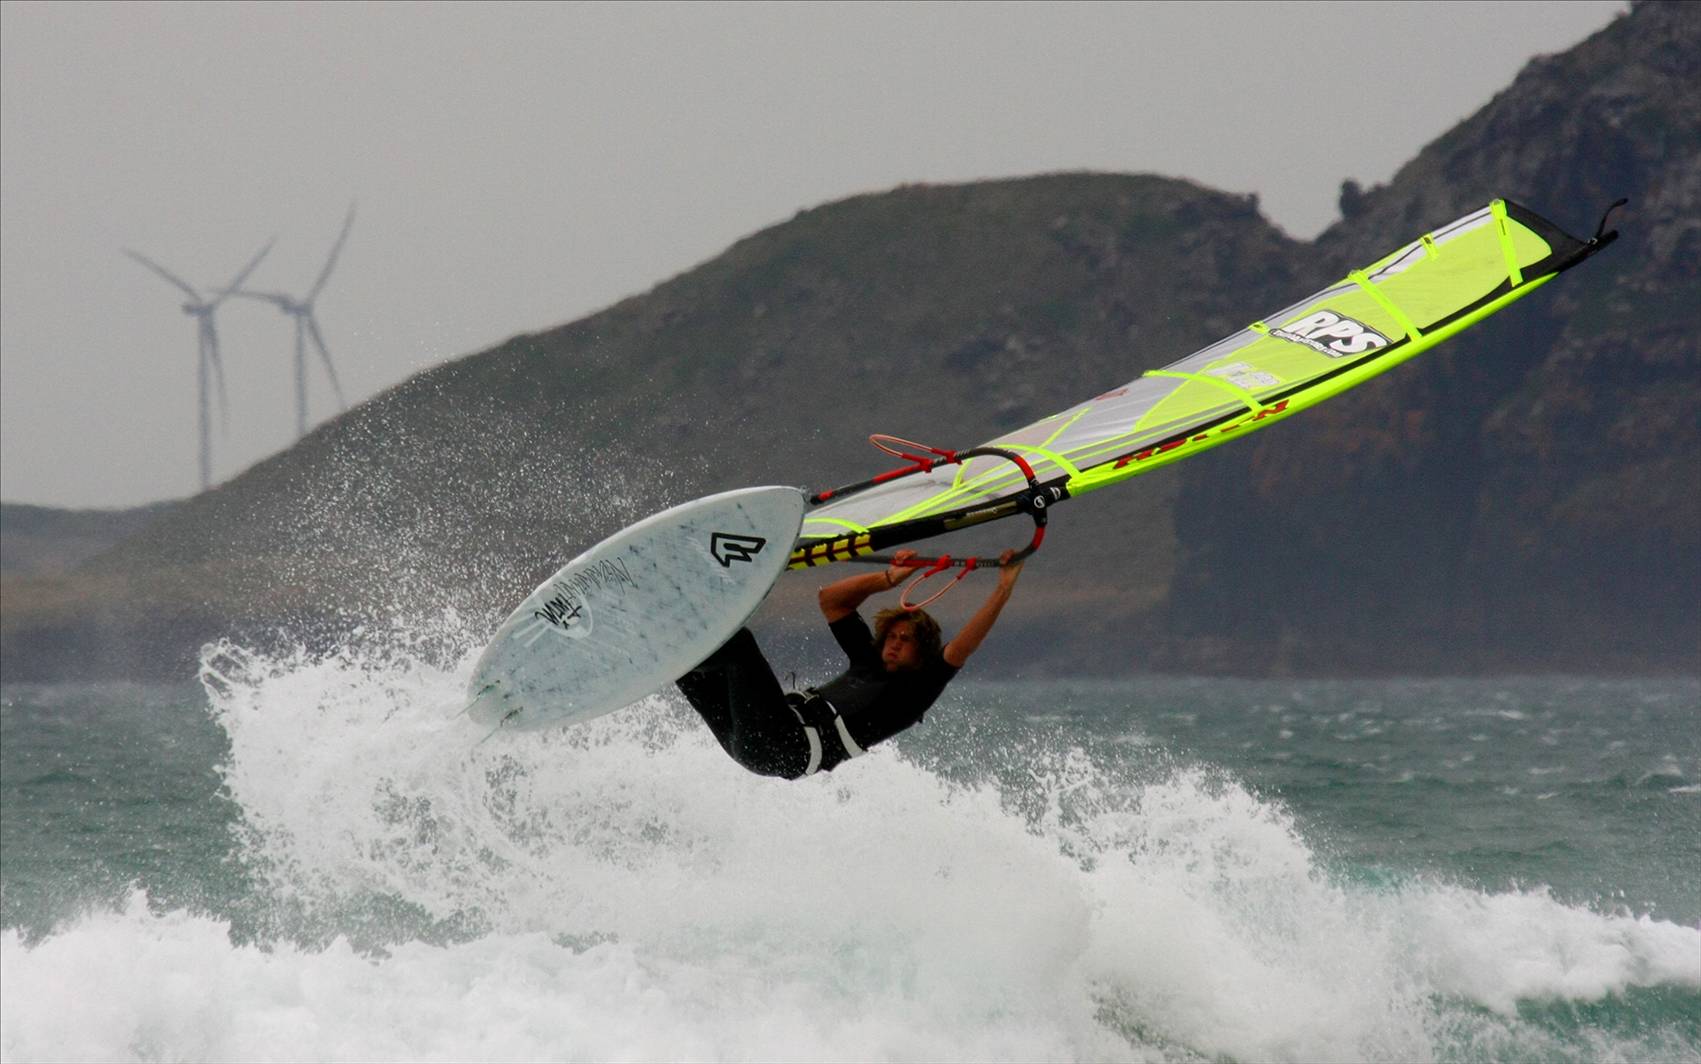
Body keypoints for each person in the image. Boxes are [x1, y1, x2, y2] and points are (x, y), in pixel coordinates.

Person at [675, 548, 1025, 779]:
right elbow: (832, 600)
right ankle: (664, 635)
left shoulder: (915, 692)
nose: (895, 643)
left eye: (906, 640)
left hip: (786, 746)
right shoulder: (868, 661)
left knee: (740, 647)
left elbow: (962, 648)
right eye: (892, 636)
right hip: (747, 745)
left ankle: (682, 627)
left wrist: (1003, 590)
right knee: (685, 669)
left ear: (922, 653)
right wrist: (889, 578)